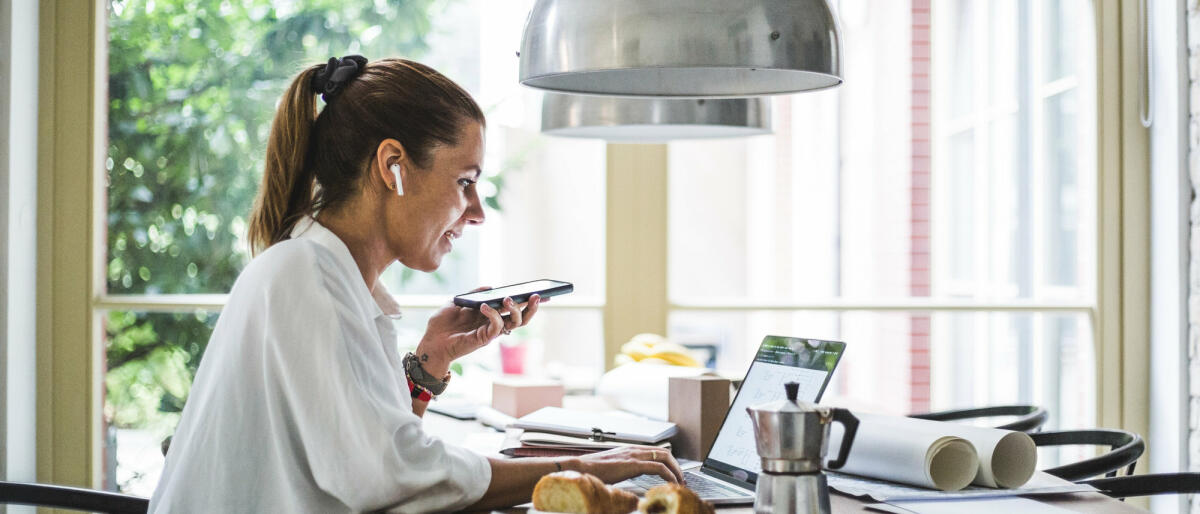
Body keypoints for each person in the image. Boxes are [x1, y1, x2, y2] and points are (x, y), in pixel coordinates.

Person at [149, 56, 683, 513]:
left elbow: (375, 456)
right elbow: (389, 474)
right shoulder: (303, 277)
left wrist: (430, 362)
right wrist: (584, 467)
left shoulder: (325, 277)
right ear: (393, 165)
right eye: (465, 182)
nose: (475, 213)